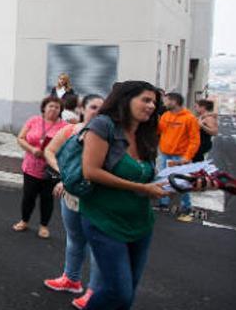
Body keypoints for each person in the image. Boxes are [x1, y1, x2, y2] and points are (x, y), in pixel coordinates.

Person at [79, 80, 201, 310]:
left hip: (140, 224)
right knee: (119, 292)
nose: (152, 106)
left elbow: (149, 178)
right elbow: (91, 171)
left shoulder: (146, 132)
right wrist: (142, 189)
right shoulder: (103, 126)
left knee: (128, 293)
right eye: (145, 100)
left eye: (154, 102)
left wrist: (186, 183)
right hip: (104, 220)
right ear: (126, 100)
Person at [43, 94, 105, 309]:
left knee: (97, 245)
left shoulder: (109, 136)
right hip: (71, 196)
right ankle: (71, 279)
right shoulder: (70, 130)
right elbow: (49, 151)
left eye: (102, 108)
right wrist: (64, 176)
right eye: (93, 107)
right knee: (75, 238)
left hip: (96, 199)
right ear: (82, 109)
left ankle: (94, 292)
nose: (98, 111)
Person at [13, 96, 68, 238]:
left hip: (51, 169)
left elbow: (68, 147)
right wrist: (32, 149)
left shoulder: (64, 127)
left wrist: (54, 152)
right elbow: (20, 138)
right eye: (51, 106)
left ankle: (44, 226)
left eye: (57, 107)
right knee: (28, 197)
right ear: (44, 107)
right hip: (31, 166)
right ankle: (24, 221)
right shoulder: (34, 120)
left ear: (60, 110)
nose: (54, 109)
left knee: (47, 198)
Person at [157, 92, 201, 221]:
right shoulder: (165, 116)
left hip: (181, 157)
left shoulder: (189, 118)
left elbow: (195, 140)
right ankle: (163, 203)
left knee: (183, 182)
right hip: (165, 154)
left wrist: (187, 156)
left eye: (166, 101)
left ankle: (186, 206)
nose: (164, 103)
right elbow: (158, 131)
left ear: (174, 101)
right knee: (164, 178)